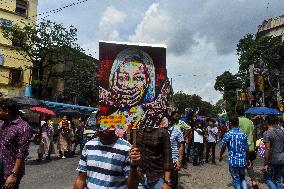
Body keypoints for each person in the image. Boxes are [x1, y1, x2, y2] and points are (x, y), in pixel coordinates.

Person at [99, 48, 169, 130]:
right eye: (123, 78)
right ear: (115, 79)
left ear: (147, 82)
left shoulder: (156, 119)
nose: (130, 85)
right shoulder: (108, 122)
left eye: (138, 78)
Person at [73, 113, 141, 189]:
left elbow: (132, 186)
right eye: (98, 126)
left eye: (105, 124)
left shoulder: (127, 149)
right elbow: (81, 179)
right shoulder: (89, 146)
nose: (101, 129)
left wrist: (134, 167)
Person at [0, 99, 31, 189]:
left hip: (8, 173)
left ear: (7, 111)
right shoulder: (2, 123)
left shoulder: (23, 127)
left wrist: (13, 174)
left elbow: (22, 153)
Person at [220, 116, 251, 189]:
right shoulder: (243, 134)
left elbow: (223, 147)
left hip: (233, 161)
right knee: (242, 178)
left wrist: (221, 155)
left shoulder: (228, 134)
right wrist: (248, 159)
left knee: (236, 179)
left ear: (230, 124)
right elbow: (247, 148)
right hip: (242, 161)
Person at [236, 107, 258, 188]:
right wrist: (255, 145)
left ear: (236, 112)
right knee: (249, 165)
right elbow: (254, 134)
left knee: (240, 166)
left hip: (239, 147)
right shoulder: (250, 122)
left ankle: (243, 184)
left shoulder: (236, 121)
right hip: (250, 146)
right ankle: (254, 181)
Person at [262, 116, 284, 189]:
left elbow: (267, 149)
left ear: (266, 122)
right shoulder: (281, 132)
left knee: (268, 179)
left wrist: (265, 163)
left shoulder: (266, 133)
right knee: (278, 180)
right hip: (282, 158)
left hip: (272, 160)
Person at [168, 111, 184, 189]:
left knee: (173, 184)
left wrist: (180, 160)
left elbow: (181, 146)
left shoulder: (177, 131)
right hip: (161, 162)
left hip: (174, 161)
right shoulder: (159, 131)